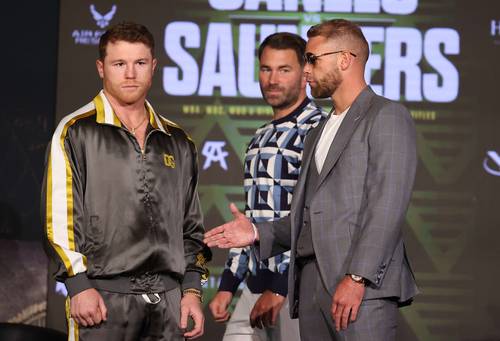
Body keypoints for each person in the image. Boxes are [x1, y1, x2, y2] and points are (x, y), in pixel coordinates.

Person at [204, 18, 418, 341]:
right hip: (311, 291)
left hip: (361, 291)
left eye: (312, 60)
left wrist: (357, 278)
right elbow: (308, 218)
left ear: (345, 59)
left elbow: (386, 208)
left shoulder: (385, 115)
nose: (306, 71)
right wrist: (256, 231)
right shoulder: (320, 130)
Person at [42, 22, 211, 340]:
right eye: (119, 64)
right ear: (101, 68)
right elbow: (58, 220)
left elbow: (190, 226)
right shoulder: (76, 131)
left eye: (140, 63)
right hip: (103, 300)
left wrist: (191, 290)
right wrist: (78, 284)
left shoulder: (177, 139)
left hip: (169, 302)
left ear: (154, 67)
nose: (130, 73)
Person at [208, 32, 327, 341]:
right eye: (266, 69)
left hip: (298, 288)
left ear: (305, 74)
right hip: (255, 285)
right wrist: (227, 286)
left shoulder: (319, 129)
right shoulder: (259, 137)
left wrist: (281, 286)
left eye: (284, 70)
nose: (272, 79)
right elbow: (249, 222)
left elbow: (317, 217)